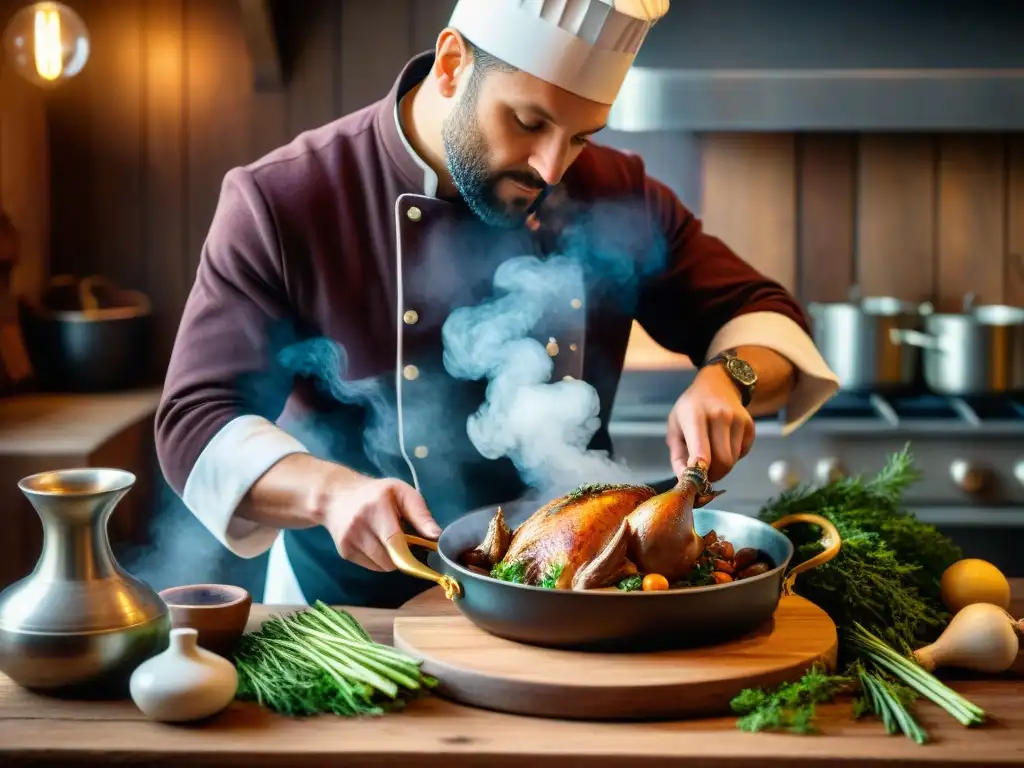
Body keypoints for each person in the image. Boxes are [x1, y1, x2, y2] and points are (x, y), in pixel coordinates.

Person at [155, 0, 839, 608]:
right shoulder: (287, 200)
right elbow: (196, 420)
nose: (551, 168)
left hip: (573, 607)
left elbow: (761, 313)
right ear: (452, 65)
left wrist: (732, 377)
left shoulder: (615, 191)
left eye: (580, 136)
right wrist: (331, 493)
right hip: (353, 614)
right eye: (529, 120)